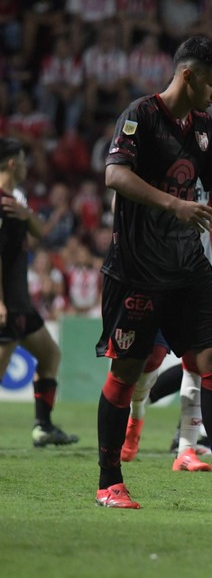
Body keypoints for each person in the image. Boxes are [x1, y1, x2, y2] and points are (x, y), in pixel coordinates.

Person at [94, 36, 212, 511]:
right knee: (128, 371)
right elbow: (114, 175)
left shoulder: (202, 127)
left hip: (189, 268)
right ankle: (109, 481)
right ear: (189, 75)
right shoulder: (140, 115)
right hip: (137, 268)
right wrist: (175, 203)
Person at [0, 138, 79, 448]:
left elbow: (41, 232)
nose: (25, 166)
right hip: (8, 302)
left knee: (50, 355)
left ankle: (43, 427)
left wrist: (23, 211)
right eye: (22, 160)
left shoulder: (14, 201)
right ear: (10, 163)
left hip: (20, 302)